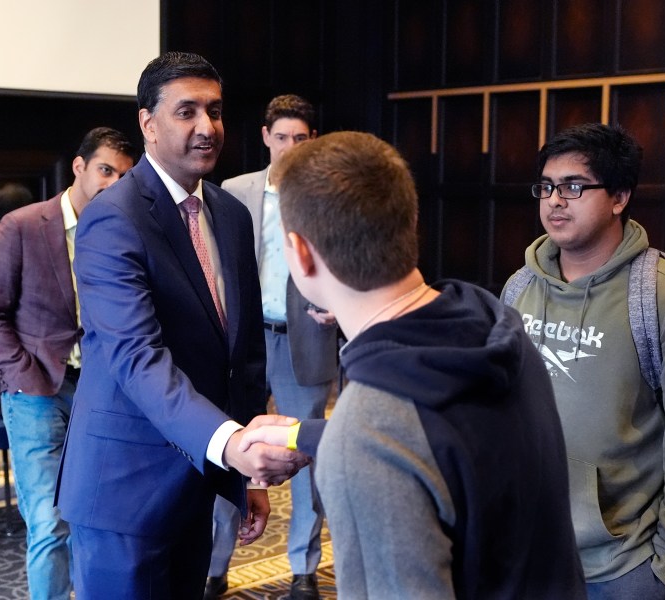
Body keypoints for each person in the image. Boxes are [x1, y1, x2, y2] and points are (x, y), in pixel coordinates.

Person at [244, 131, 587, 599]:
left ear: (300, 255)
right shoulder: (500, 329)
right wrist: (300, 433)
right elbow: (451, 437)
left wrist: (346, 435)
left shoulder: (369, 431)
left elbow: (395, 435)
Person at [54, 52, 309, 599]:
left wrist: (240, 476)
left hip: (198, 480)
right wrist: (233, 444)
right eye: (186, 111)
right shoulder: (112, 217)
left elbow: (239, 356)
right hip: (124, 493)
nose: (206, 127)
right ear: (148, 123)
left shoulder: (230, 214)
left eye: (214, 112)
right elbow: (136, 358)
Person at [501, 122, 665, 599]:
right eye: (546, 187)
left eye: (574, 186)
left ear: (619, 197)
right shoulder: (519, 289)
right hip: (523, 550)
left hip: (619, 566)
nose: (554, 200)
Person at [0, 126, 135, 600]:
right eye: (105, 170)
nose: (113, 184)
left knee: (95, 517)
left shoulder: (121, 231)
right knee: (50, 520)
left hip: (100, 393)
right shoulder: (22, 225)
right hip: (37, 393)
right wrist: (21, 375)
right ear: (79, 168)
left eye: (123, 176)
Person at [205, 95, 336, 600]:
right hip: (243, 342)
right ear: (265, 138)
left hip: (306, 339)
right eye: (281, 137)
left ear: (313, 142)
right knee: (230, 450)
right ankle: (216, 569)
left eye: (300, 138)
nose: (290, 147)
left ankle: (304, 570)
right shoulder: (233, 192)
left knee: (303, 457)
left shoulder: (326, 194)